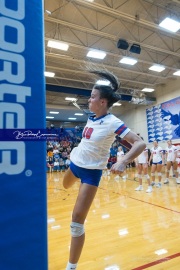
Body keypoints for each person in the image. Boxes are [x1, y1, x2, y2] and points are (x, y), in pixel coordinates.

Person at [62, 70, 146, 270]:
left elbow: (139, 143)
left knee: (76, 223)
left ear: (102, 102)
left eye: (92, 97)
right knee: (65, 186)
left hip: (91, 173)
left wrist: (124, 161)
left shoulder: (113, 123)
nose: (89, 100)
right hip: (75, 164)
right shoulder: (92, 116)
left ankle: (71, 266)